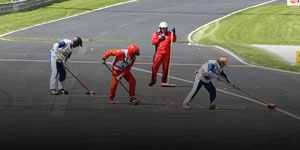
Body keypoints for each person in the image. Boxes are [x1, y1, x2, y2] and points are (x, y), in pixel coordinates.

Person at [149, 21, 177, 86]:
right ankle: (153, 80)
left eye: (165, 28)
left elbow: (174, 40)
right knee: (154, 67)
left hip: (166, 54)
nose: (163, 30)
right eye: (162, 28)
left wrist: (174, 34)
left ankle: (164, 82)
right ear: (160, 28)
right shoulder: (156, 34)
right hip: (158, 53)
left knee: (165, 68)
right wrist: (159, 40)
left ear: (167, 28)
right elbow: (153, 42)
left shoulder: (169, 34)